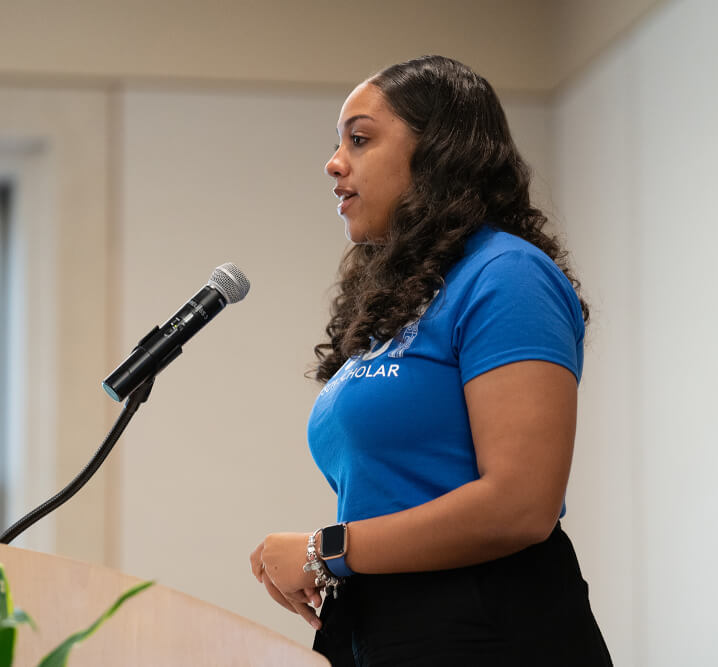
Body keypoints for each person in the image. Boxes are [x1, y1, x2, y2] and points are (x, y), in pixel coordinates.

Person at [249, 55, 612, 665]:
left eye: (359, 139)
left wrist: (325, 548)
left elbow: (522, 507)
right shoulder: (411, 300)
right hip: (383, 622)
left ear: (439, 151)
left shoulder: (507, 275)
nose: (334, 163)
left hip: (490, 625)